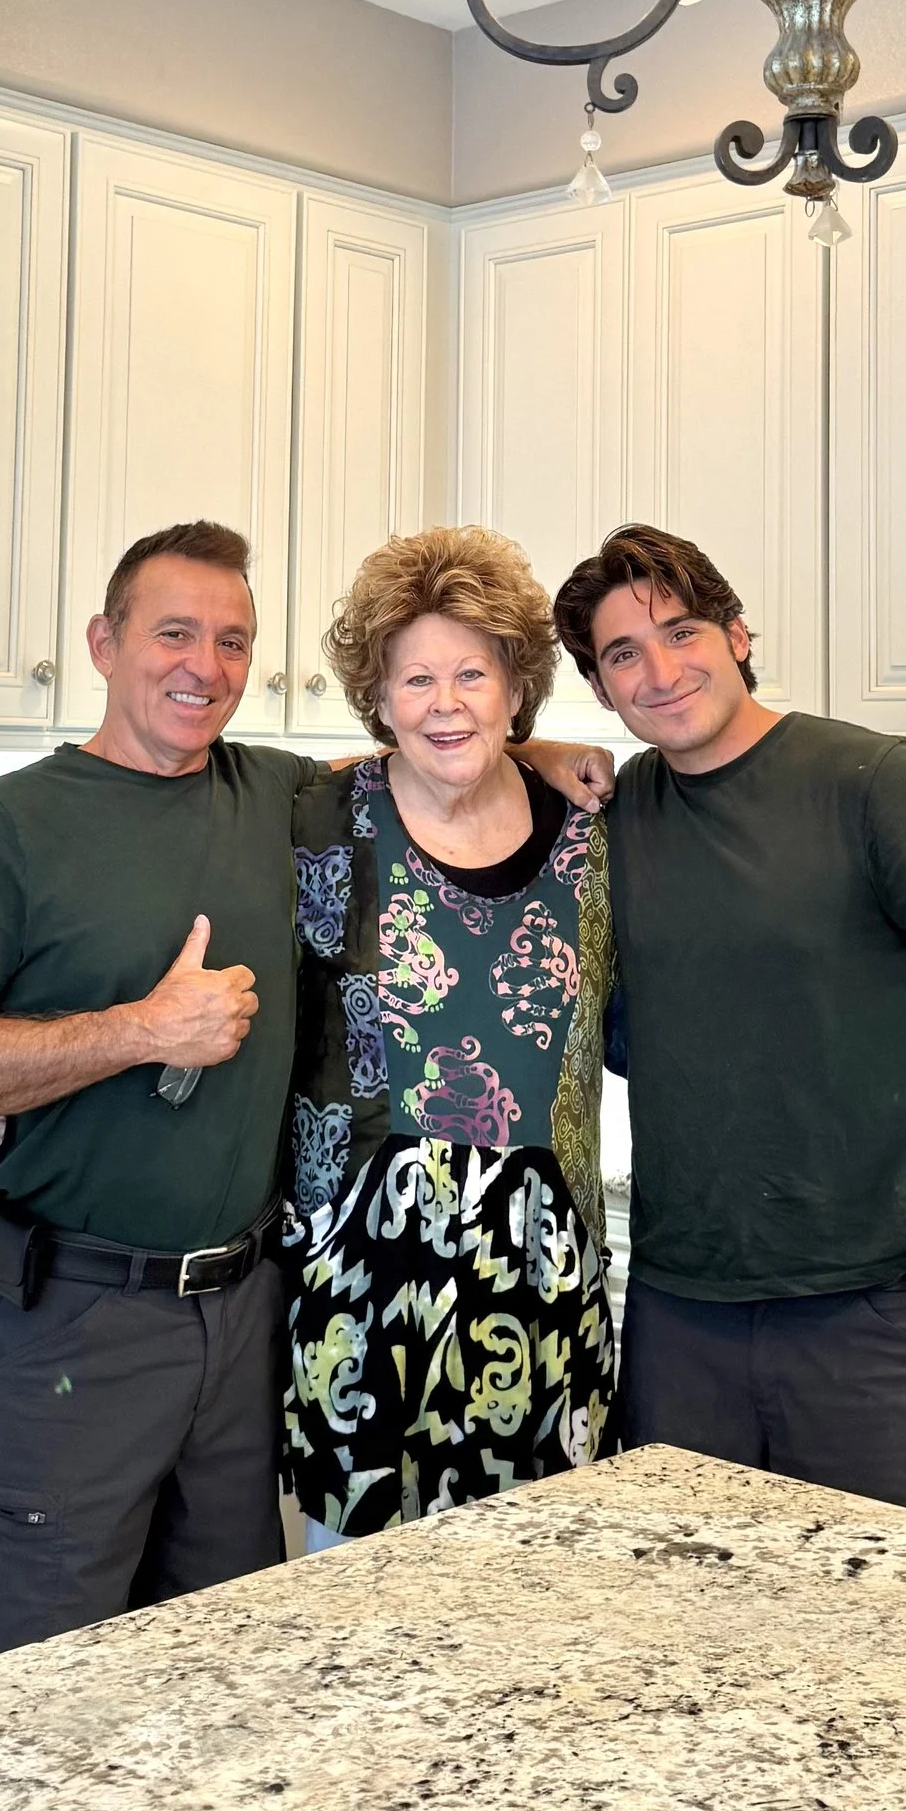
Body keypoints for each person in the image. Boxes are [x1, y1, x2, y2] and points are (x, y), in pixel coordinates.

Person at [0, 517, 608, 1661]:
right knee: (28, 1673)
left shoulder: (282, 799)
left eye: (232, 642)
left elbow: (426, 744)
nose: (204, 667)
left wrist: (540, 750)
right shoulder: (8, 822)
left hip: (251, 1307)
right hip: (83, 1305)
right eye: (174, 633)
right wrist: (135, 1031)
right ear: (101, 642)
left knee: (224, 1661)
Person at [550, 522, 906, 1523]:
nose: (660, 669)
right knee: (693, 1630)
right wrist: (530, 750)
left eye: (683, 631)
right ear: (600, 687)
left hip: (871, 1307)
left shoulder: (874, 785)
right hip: (681, 1308)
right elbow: (426, 758)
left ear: (738, 635)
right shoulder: (616, 819)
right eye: (623, 653)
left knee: (895, 1631)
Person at [283, 525, 615, 1542]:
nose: (445, 702)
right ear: (377, 698)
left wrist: (546, 759)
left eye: (473, 672)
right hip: (356, 1284)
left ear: (516, 687)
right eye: (414, 678)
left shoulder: (598, 833)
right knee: (353, 1611)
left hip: (544, 1283)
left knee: (532, 1600)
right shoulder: (315, 818)